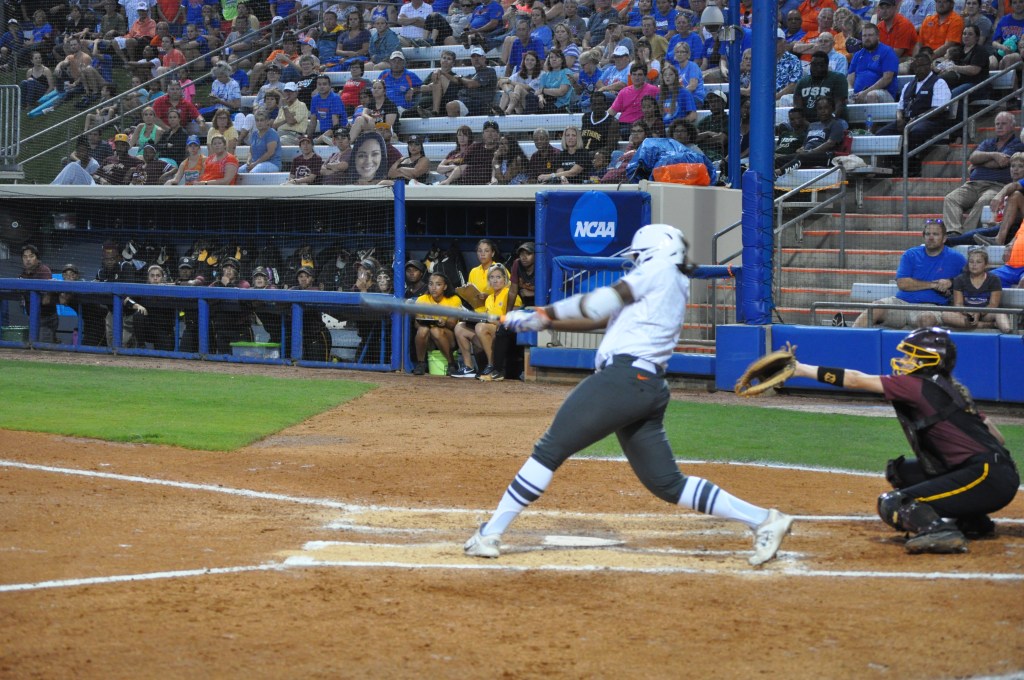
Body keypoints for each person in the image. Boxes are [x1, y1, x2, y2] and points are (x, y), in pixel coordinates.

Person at [464, 224, 794, 564]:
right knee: (667, 484)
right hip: (645, 386)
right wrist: (540, 320)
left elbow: (599, 303)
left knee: (549, 450)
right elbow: (597, 319)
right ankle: (764, 520)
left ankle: (490, 534)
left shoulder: (660, 269)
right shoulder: (669, 280)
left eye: (638, 255)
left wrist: (543, 314)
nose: (635, 262)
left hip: (624, 378)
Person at [791, 328, 1018, 553]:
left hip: (986, 477)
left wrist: (800, 369)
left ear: (929, 360)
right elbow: (998, 438)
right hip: (994, 473)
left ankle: (938, 531)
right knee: (902, 472)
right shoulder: (952, 389)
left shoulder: (916, 384)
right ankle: (973, 521)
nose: (904, 360)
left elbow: (854, 380)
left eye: (911, 356)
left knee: (895, 503)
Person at [852, 219, 968, 328]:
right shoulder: (911, 254)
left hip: (931, 307)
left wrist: (951, 282)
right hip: (901, 303)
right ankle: (850, 337)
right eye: (928, 234)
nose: (931, 237)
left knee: (927, 319)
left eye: (935, 234)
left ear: (944, 238)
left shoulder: (957, 258)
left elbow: (971, 278)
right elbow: (903, 284)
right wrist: (933, 285)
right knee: (874, 307)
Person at [942, 112, 1024, 235]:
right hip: (974, 184)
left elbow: (1001, 163)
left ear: (1012, 126)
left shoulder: (1017, 144)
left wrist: (979, 164)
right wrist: (993, 155)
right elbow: (973, 157)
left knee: (984, 201)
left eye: (1003, 124)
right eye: (997, 124)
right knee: (951, 198)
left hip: (996, 185)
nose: (999, 126)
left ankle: (966, 235)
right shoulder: (988, 142)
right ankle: (953, 232)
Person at [874, 51, 951, 171]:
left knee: (915, 131)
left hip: (931, 121)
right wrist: (899, 118)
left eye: (922, 65)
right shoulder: (908, 85)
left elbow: (939, 109)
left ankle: (908, 165)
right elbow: (900, 107)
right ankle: (892, 163)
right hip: (908, 120)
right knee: (881, 134)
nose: (919, 69)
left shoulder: (939, 83)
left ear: (929, 66)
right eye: (916, 66)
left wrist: (916, 119)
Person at [454, 263, 522, 381]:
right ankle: (468, 367)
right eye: (492, 277)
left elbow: (514, 319)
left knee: (481, 327)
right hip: (488, 332)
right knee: (460, 327)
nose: (495, 280)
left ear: (505, 279)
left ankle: (492, 366)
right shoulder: (489, 298)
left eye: (498, 277)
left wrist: (494, 321)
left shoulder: (510, 294)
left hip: (504, 334)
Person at [941, 248, 1013, 331]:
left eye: (978, 262)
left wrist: (979, 312)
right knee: (945, 315)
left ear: (986, 265)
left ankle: (1009, 333)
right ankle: (988, 325)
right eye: (971, 262)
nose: (974, 265)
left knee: (1000, 314)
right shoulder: (959, 279)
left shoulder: (994, 279)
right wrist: (968, 312)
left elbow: (993, 305)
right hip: (967, 315)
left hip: (986, 314)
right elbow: (958, 304)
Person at [412, 272, 463, 375]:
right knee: (423, 329)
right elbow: (416, 324)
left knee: (435, 330)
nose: (433, 288)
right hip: (429, 339)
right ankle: (421, 364)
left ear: (445, 287)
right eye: (431, 284)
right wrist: (424, 320)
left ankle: (451, 364)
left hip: (449, 338)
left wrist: (444, 322)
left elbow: (452, 323)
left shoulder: (454, 299)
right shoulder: (422, 299)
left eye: (438, 284)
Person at [848, 23, 900, 104]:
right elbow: (850, 76)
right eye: (864, 36)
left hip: (884, 93)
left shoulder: (887, 51)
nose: (867, 38)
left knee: (871, 95)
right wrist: (850, 91)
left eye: (870, 35)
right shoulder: (857, 54)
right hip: (858, 94)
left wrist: (865, 93)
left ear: (878, 36)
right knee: (844, 96)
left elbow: (887, 78)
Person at [18, 244, 59, 344]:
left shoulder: (43, 270)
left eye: (31, 256)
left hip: (46, 318)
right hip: (33, 317)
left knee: (42, 347)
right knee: (32, 346)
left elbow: (45, 300)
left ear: (37, 258)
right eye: (25, 257)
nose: (28, 259)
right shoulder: (23, 273)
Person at [448, 45, 497, 117]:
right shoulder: (471, 76)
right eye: (473, 57)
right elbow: (455, 80)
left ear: (484, 58)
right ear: (471, 60)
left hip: (481, 105)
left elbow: (471, 84)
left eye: (478, 56)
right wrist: (442, 73)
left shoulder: (489, 71)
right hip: (467, 103)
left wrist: (460, 77)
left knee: (452, 106)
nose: (476, 59)